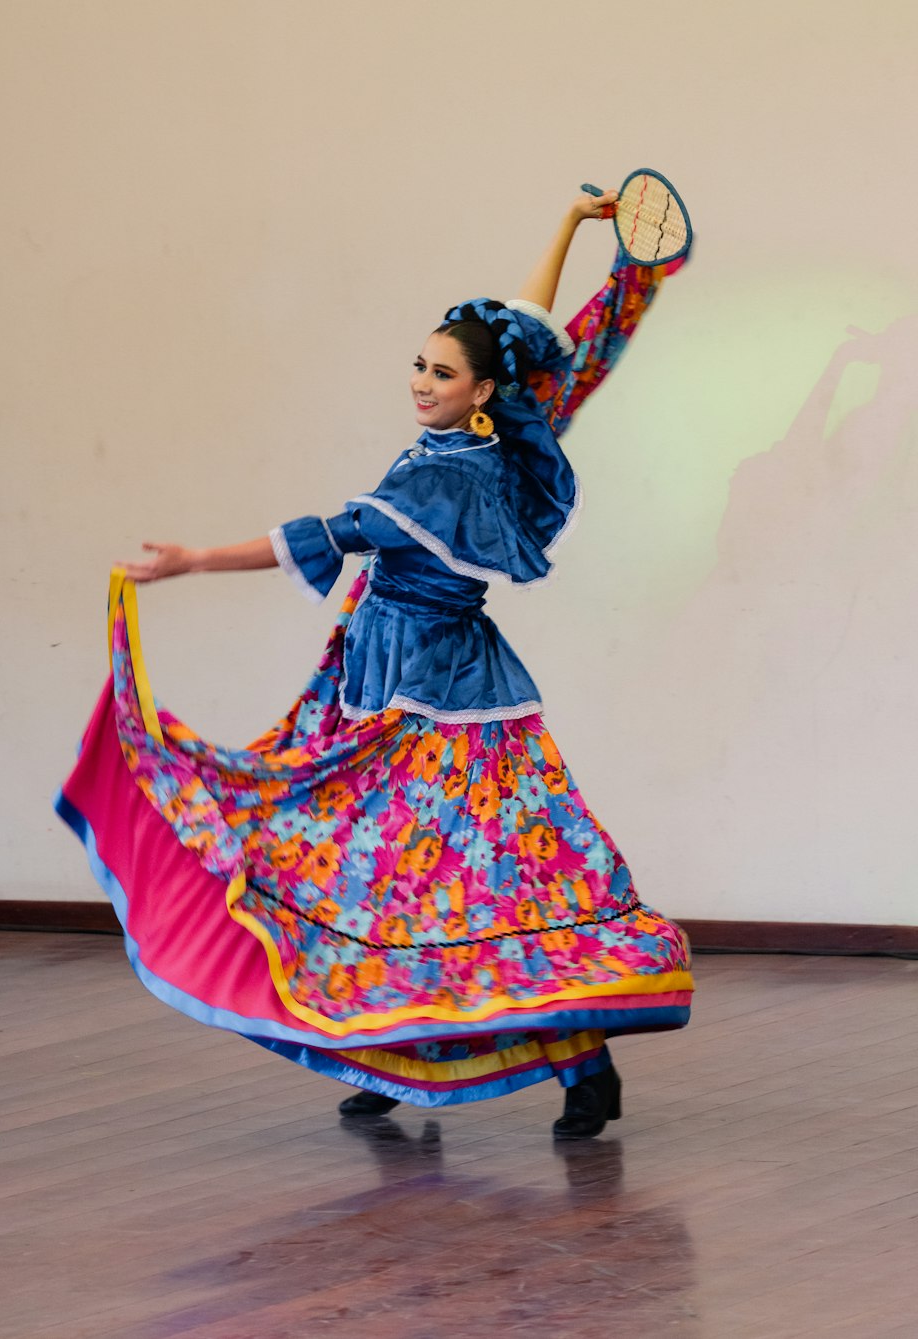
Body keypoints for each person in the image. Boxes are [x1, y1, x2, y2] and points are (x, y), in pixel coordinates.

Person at [56, 187, 693, 1139]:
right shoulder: (507, 422)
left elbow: (322, 534)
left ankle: (583, 1066)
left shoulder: (439, 474)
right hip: (397, 681)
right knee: (390, 877)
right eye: (418, 363)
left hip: (444, 703)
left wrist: (192, 561)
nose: (421, 381)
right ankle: (399, 1056)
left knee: (477, 884)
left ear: (480, 392)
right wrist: (571, 225)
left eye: (441, 372)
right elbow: (517, 328)